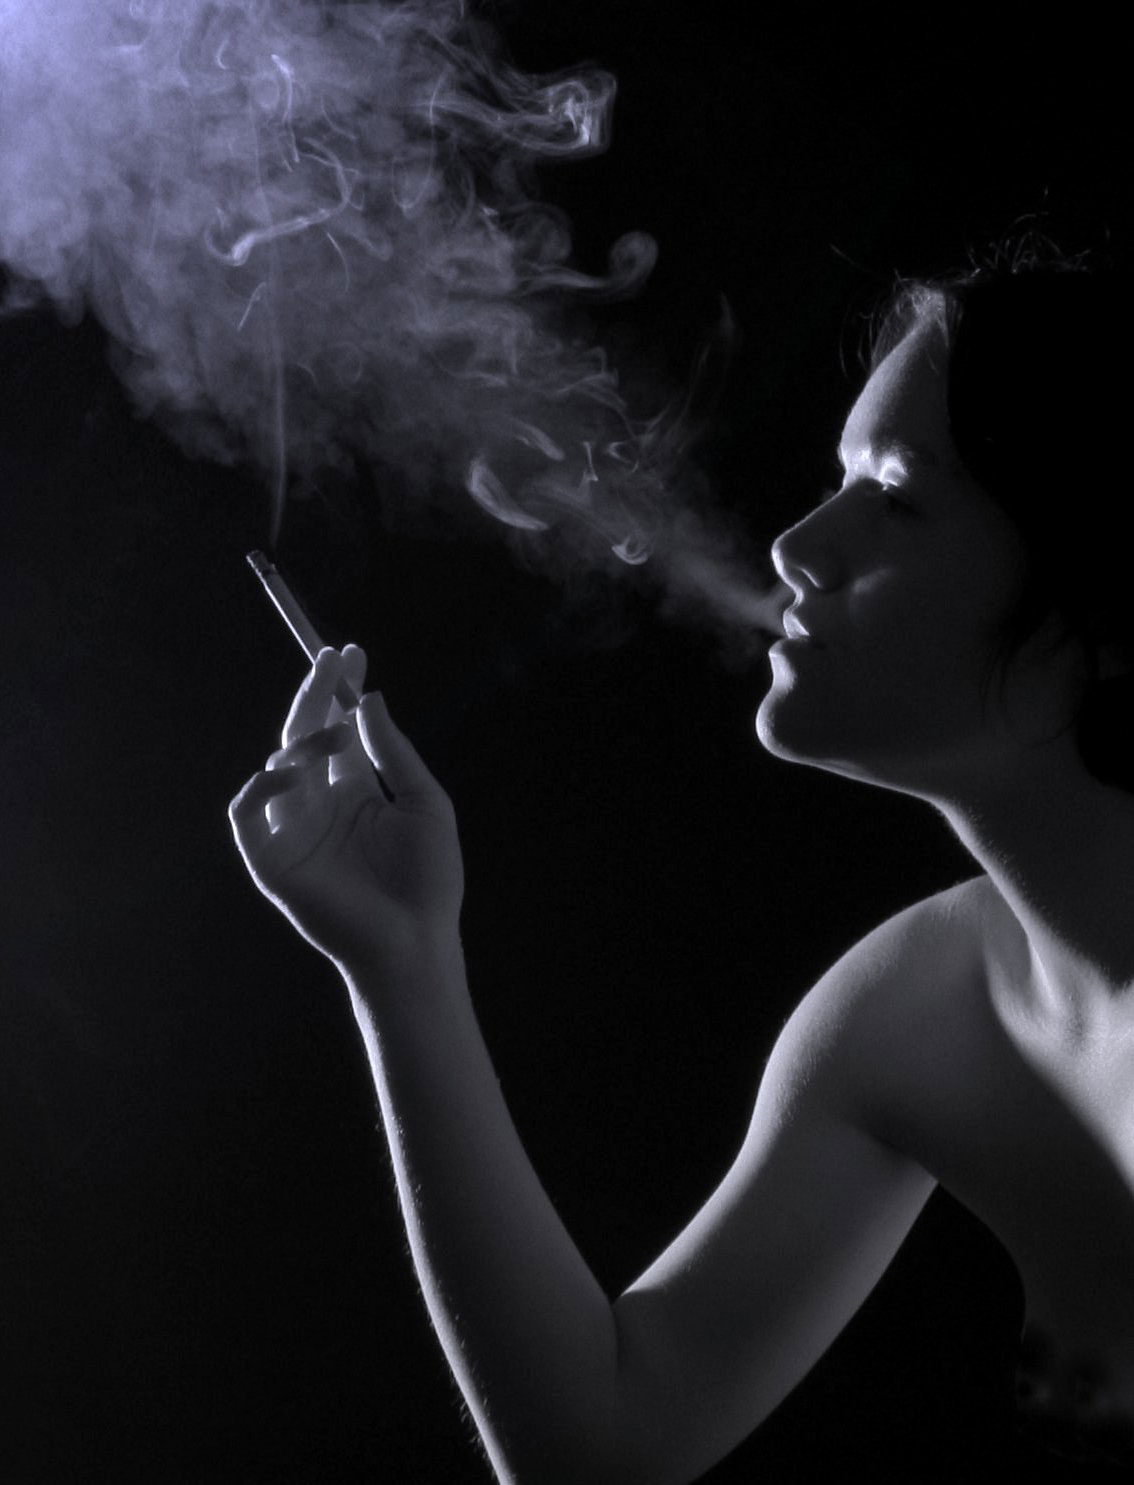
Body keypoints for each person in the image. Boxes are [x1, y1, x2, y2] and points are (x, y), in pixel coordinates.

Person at [229, 249, 1134, 1480]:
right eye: (839, 480)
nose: (798, 544)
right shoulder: (924, 1007)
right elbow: (599, 1446)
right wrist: (402, 961)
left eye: (897, 496)